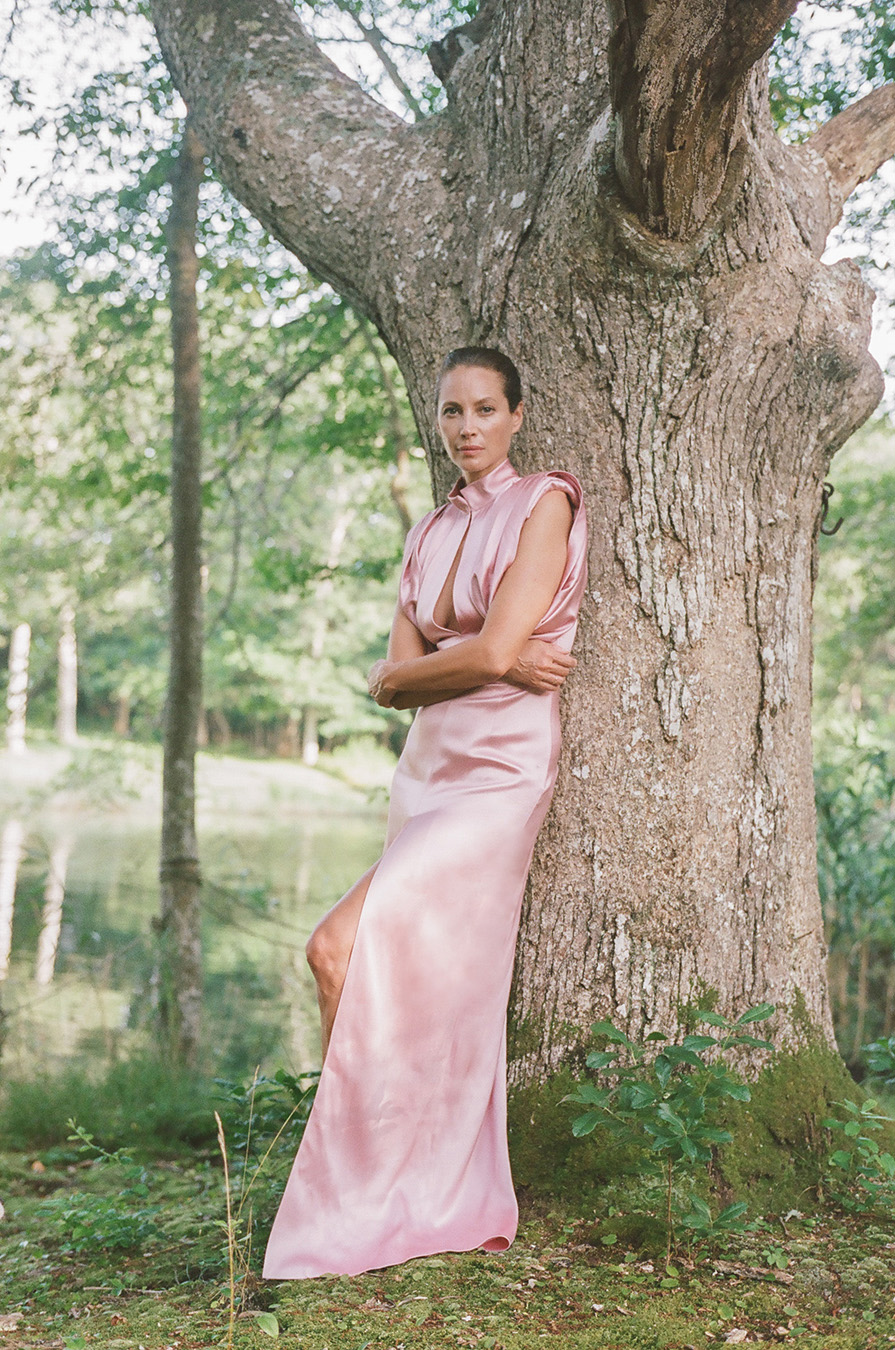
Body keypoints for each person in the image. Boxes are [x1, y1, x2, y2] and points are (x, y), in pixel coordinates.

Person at [263, 346, 588, 1280]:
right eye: (452, 411)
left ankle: (370, 1181)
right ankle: (376, 1171)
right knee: (389, 973)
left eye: (485, 408)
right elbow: (399, 680)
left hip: (498, 775)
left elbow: (458, 662)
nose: (467, 427)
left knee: (335, 947)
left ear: (516, 415)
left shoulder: (546, 502)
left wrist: (464, 660)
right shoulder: (426, 532)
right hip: (427, 771)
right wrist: (478, 657)